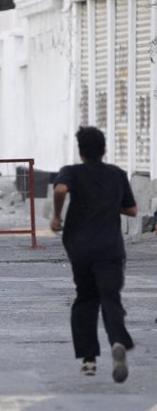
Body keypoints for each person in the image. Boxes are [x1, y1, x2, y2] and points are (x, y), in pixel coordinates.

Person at [50, 126, 137, 383]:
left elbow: (60, 190)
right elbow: (132, 210)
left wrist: (56, 216)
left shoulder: (71, 172)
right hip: (110, 248)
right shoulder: (117, 174)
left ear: (80, 151)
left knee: (86, 298)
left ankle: (88, 360)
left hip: (80, 248)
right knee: (111, 299)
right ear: (104, 149)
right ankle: (118, 342)